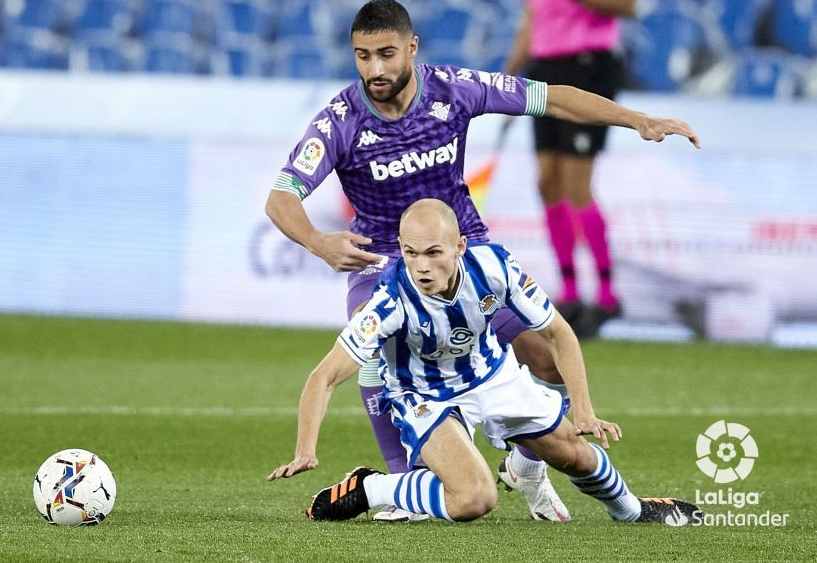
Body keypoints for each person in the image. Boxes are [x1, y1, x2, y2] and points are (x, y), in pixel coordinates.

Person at [265, 0, 698, 522]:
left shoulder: (454, 89)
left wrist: (636, 119)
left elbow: (552, 98)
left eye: (386, 54)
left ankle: (525, 463)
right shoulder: (340, 120)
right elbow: (281, 198)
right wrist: (317, 242)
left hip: (463, 250)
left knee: (546, 358)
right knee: (371, 341)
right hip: (381, 259)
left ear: (412, 48)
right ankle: (400, 485)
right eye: (362, 56)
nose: (374, 69)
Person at [268, 199, 700, 526]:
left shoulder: (495, 266)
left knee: (576, 457)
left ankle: (632, 511)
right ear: (400, 249)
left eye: (433, 253)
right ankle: (372, 488)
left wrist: (584, 410)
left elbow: (558, 333)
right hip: (424, 396)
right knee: (474, 498)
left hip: (493, 376)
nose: (421, 267)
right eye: (411, 253)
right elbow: (324, 377)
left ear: (460, 246)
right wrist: (306, 449)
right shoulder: (388, 302)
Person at [504, 0, 637, 336]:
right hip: (544, 67)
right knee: (547, 183)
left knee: (577, 186)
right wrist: (509, 77)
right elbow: (533, 16)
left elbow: (627, 3)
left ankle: (607, 296)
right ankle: (571, 293)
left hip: (587, 64)